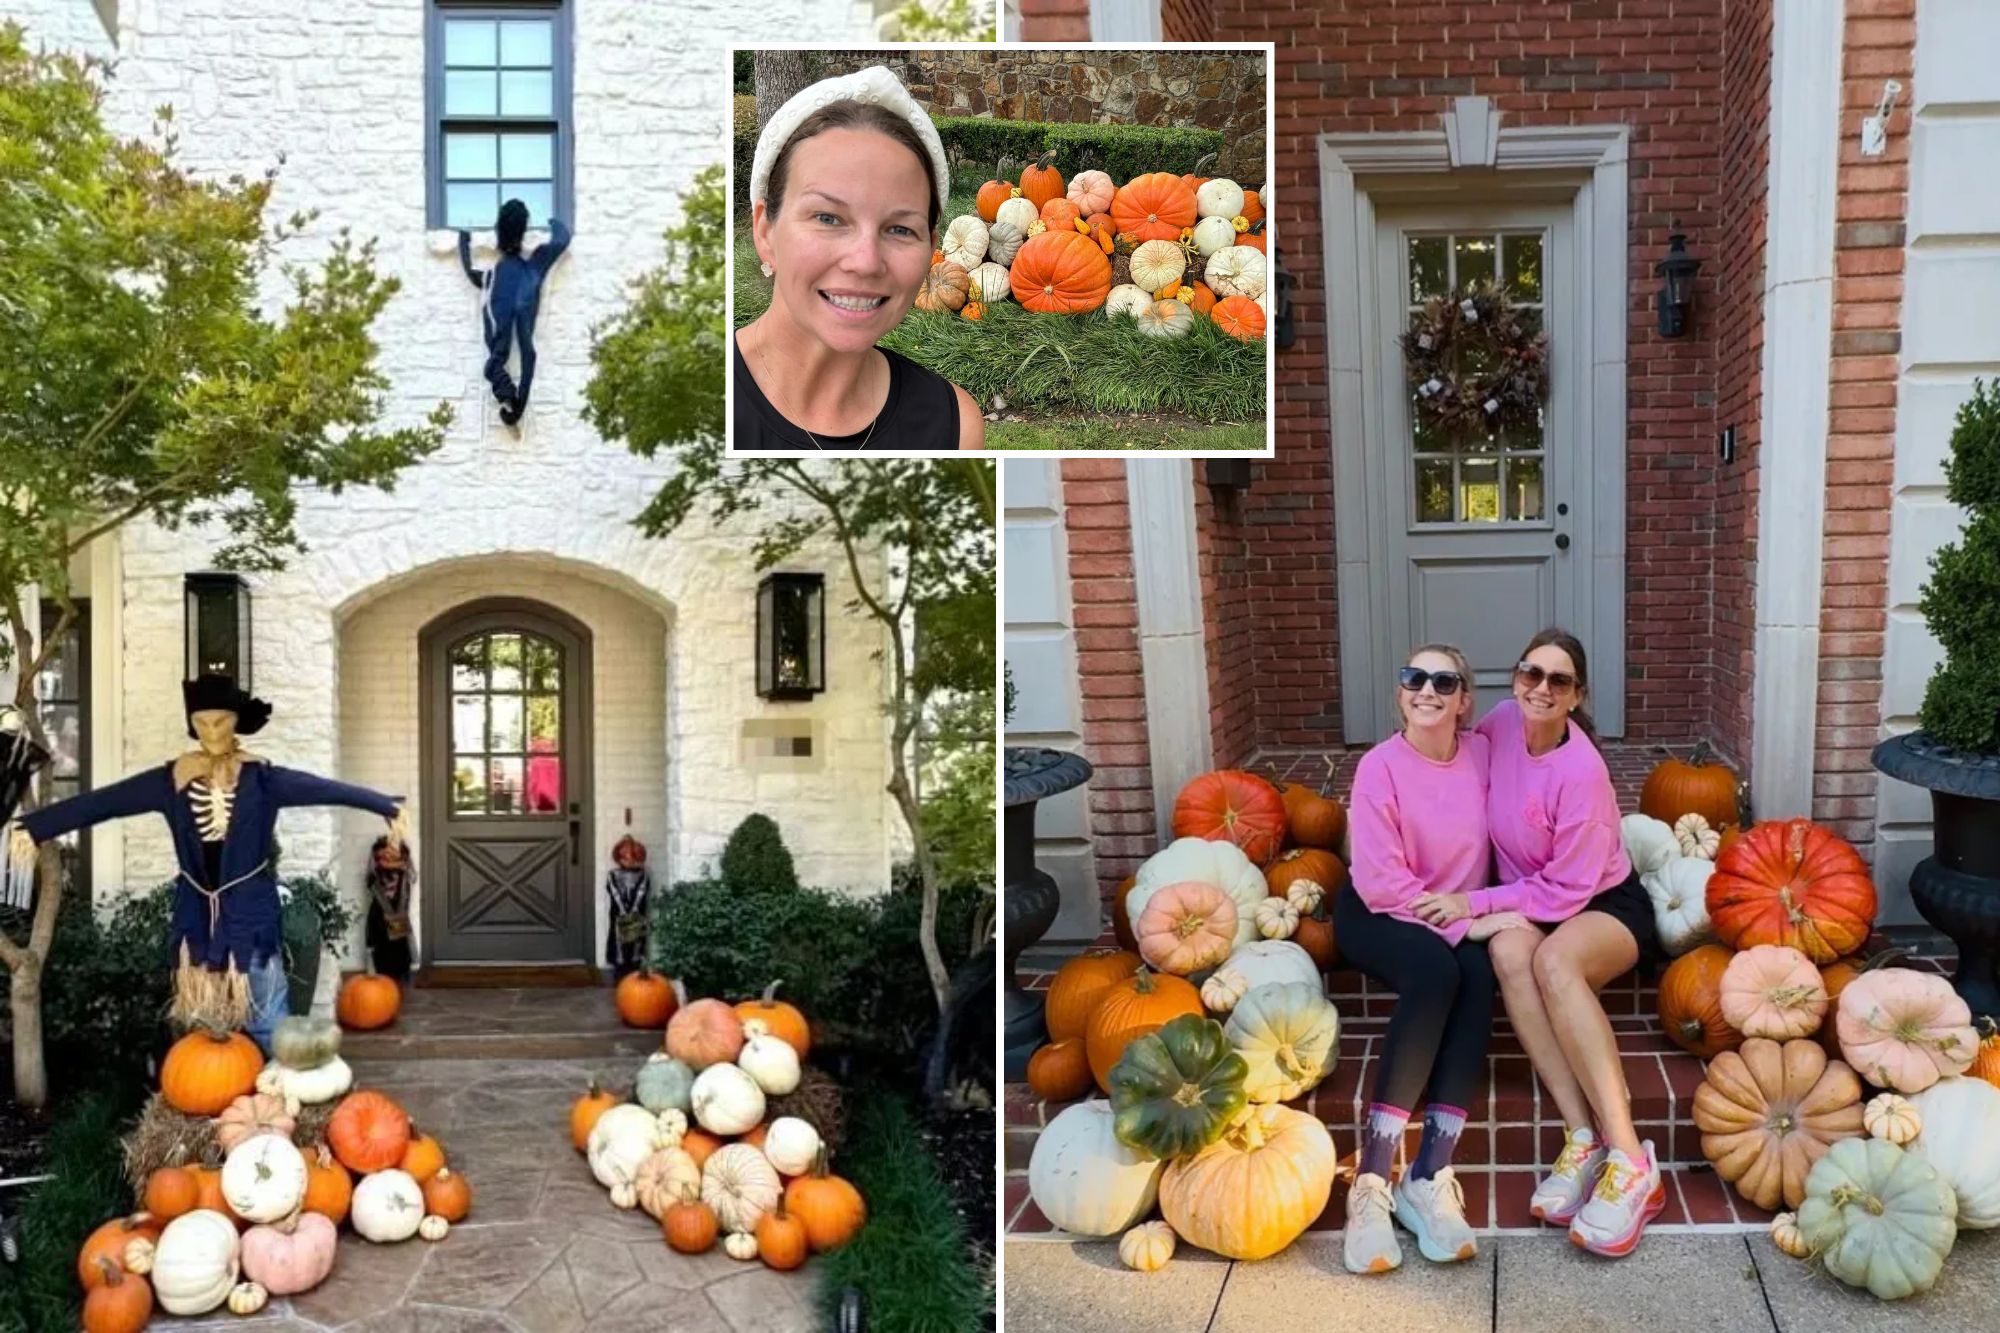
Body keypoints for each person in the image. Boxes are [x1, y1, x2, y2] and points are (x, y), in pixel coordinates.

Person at [1412, 628, 1663, 1258]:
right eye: (1531, 673)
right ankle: (1583, 1138)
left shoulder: (1581, 771)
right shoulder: (1498, 724)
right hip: (1535, 897)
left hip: (1602, 904)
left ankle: (1632, 1161)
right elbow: (1448, 768)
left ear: (1577, 695)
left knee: (1552, 960)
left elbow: (1563, 893)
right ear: (1515, 679)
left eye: (1558, 680)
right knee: (1505, 952)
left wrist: (1476, 902)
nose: (1541, 688)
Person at [8, 676, 405, 1052]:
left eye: (221, 721)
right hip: (196, 909)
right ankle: (219, 1092)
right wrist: (38, 827)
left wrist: (384, 806)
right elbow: (107, 801)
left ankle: (292, 1083)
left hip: (251, 908)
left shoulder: (262, 778)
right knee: (202, 1015)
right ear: (192, 725)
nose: (212, 731)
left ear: (236, 723)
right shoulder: (171, 780)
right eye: (202, 722)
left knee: (267, 1010)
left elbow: (324, 788)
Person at [1336, 644, 1530, 1275]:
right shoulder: (1379, 768)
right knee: (1437, 970)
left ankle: (1429, 1174)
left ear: (1463, 701)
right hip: (1377, 909)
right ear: (1400, 693)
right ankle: (1369, 1184)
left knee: (1478, 975)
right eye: (1413, 678)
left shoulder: (1481, 753)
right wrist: (1468, 922)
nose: (1427, 690)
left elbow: (1546, 741)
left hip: (1453, 911)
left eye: (1443, 681)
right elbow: (1383, 884)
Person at [735, 66, 984, 451]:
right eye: (828, 218)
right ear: (765, 232)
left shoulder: (954, 428)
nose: (866, 261)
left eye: (901, 229)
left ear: (930, 247)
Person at [458, 200, 572, 429]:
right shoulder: (534, 266)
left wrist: (463, 240)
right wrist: (556, 223)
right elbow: (561, 240)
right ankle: (515, 403)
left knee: (495, 360)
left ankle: (511, 399)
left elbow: (472, 274)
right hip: (522, 302)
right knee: (524, 350)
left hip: (501, 304)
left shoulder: (493, 276)